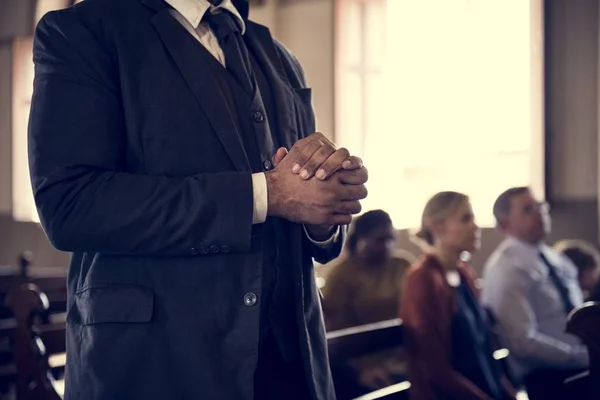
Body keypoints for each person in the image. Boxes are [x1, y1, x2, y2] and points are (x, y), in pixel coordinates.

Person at [27, 0, 368, 399]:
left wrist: (324, 212)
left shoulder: (280, 57)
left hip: (292, 368)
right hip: (158, 365)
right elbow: (71, 205)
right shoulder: (83, 31)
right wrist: (269, 194)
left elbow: (299, 199)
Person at [400, 191, 516, 400]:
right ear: (437, 227)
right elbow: (434, 369)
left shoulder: (464, 274)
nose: (475, 226)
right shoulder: (423, 279)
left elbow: (485, 350)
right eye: (466, 219)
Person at [482, 187, 588, 400]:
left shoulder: (554, 258)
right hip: (551, 378)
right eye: (528, 209)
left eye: (541, 206)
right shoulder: (508, 268)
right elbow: (523, 342)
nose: (540, 213)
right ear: (505, 224)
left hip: (582, 365)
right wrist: (582, 357)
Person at [322, 210, 413, 396]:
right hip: (362, 361)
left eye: (391, 238)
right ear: (361, 239)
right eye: (380, 240)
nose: (387, 245)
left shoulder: (402, 265)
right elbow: (336, 332)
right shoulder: (341, 275)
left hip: (403, 353)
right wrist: (361, 369)